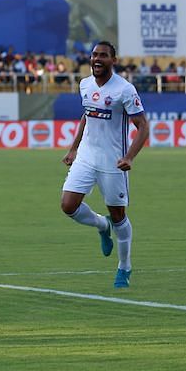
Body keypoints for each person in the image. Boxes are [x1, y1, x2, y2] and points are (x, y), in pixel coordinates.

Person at [60, 41, 149, 288]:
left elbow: (143, 126)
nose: (97, 59)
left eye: (103, 55)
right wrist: (74, 148)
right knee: (68, 206)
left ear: (113, 60)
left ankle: (124, 267)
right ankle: (101, 225)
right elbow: (86, 116)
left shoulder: (125, 90)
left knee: (119, 215)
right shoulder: (85, 84)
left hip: (113, 162)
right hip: (87, 157)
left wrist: (129, 156)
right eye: (94, 55)